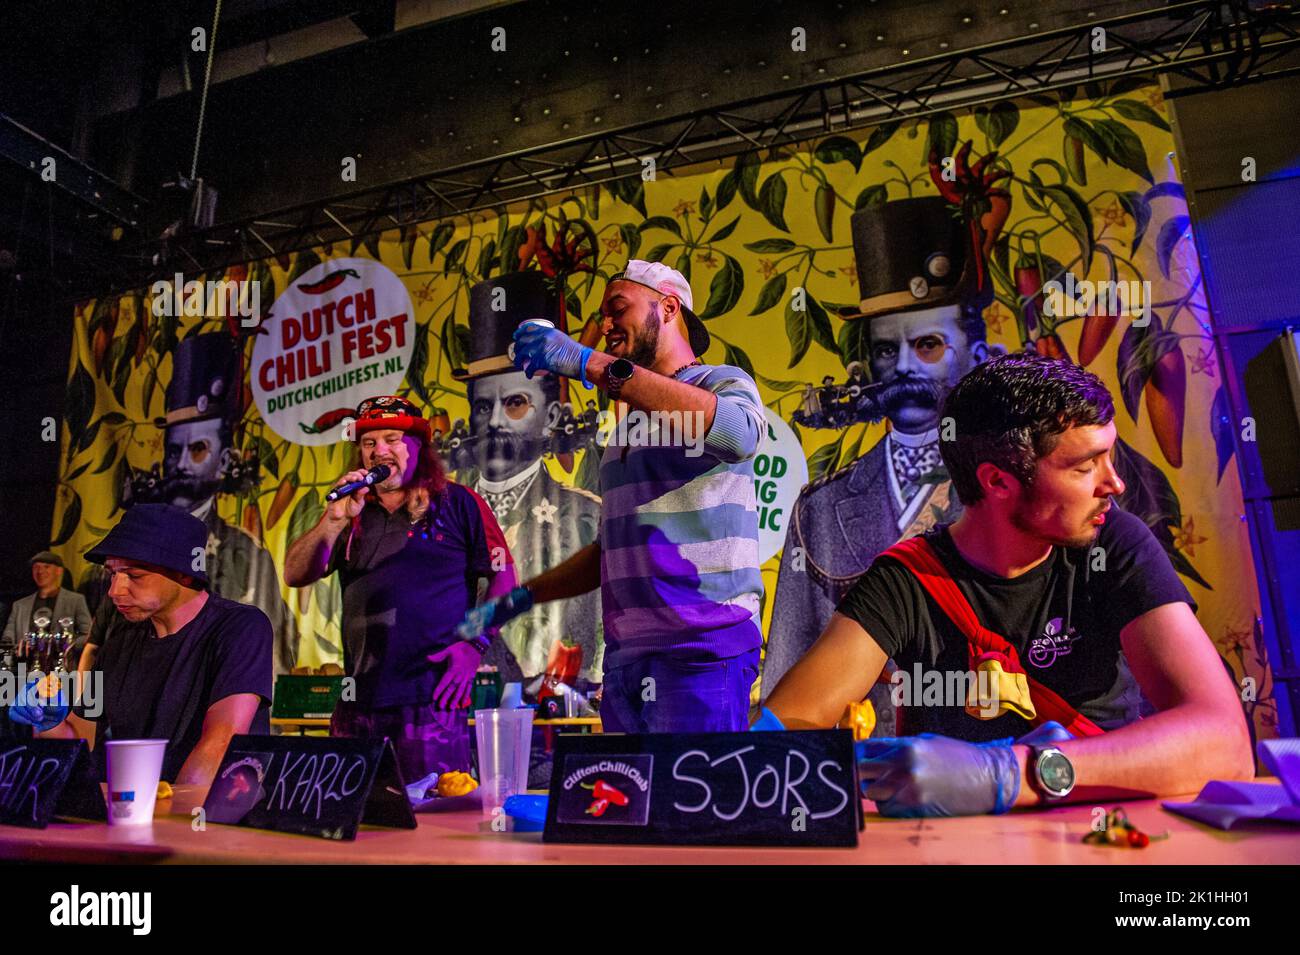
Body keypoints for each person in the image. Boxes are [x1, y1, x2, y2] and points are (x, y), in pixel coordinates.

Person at [761, 354, 1254, 815]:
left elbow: (1224, 743)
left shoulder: (1115, 543)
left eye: (1109, 458)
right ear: (997, 482)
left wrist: (1007, 773)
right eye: (1085, 467)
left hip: (1101, 827)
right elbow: (780, 738)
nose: (1115, 484)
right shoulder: (907, 579)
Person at [460, 259, 766, 733]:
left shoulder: (720, 382)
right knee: (628, 805)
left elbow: (737, 434)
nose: (604, 326)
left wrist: (587, 362)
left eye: (615, 309)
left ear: (667, 308)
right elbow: (611, 551)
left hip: (700, 650)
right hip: (628, 662)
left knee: (689, 803)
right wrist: (523, 596)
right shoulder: (629, 427)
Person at [763, 195, 1006, 718]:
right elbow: (787, 678)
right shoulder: (821, 509)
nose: (902, 370)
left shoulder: (1010, 490)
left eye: (928, 346)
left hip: (990, 759)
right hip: (865, 770)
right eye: (884, 351)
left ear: (978, 357)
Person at [283, 395, 518, 782]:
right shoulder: (351, 512)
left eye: (392, 439)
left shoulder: (457, 502)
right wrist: (333, 520)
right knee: (352, 821)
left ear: (417, 448)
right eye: (368, 443)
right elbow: (294, 574)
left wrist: (473, 646)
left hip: (430, 699)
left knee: (432, 820)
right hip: (355, 700)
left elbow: (504, 580)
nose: (379, 452)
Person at [10, 505, 273, 786]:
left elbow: (219, 744)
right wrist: (46, 721)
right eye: (112, 574)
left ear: (185, 574)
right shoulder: (116, 647)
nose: (114, 591)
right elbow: (80, 739)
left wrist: (175, 822)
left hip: (206, 819)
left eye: (134, 575)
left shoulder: (240, 627)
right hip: (135, 813)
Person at [452, 272, 603, 688]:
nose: (496, 420)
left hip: (560, 719)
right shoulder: (444, 520)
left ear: (551, 417)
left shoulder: (587, 516)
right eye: (483, 406)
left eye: (515, 403)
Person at [1, 550, 92, 658]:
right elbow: (7, 640)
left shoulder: (76, 601)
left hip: (62, 669)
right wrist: (16, 648)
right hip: (24, 668)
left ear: (59, 571)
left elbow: (87, 635)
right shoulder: (19, 605)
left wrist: (65, 645)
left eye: (46, 566)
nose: (40, 571)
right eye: (36, 567)